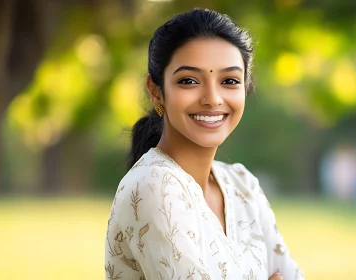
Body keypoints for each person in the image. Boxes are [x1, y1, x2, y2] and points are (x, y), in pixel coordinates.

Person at [104, 8, 304, 280]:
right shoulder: (155, 186)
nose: (212, 98)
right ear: (156, 92)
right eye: (189, 80)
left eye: (229, 81)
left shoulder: (242, 185)